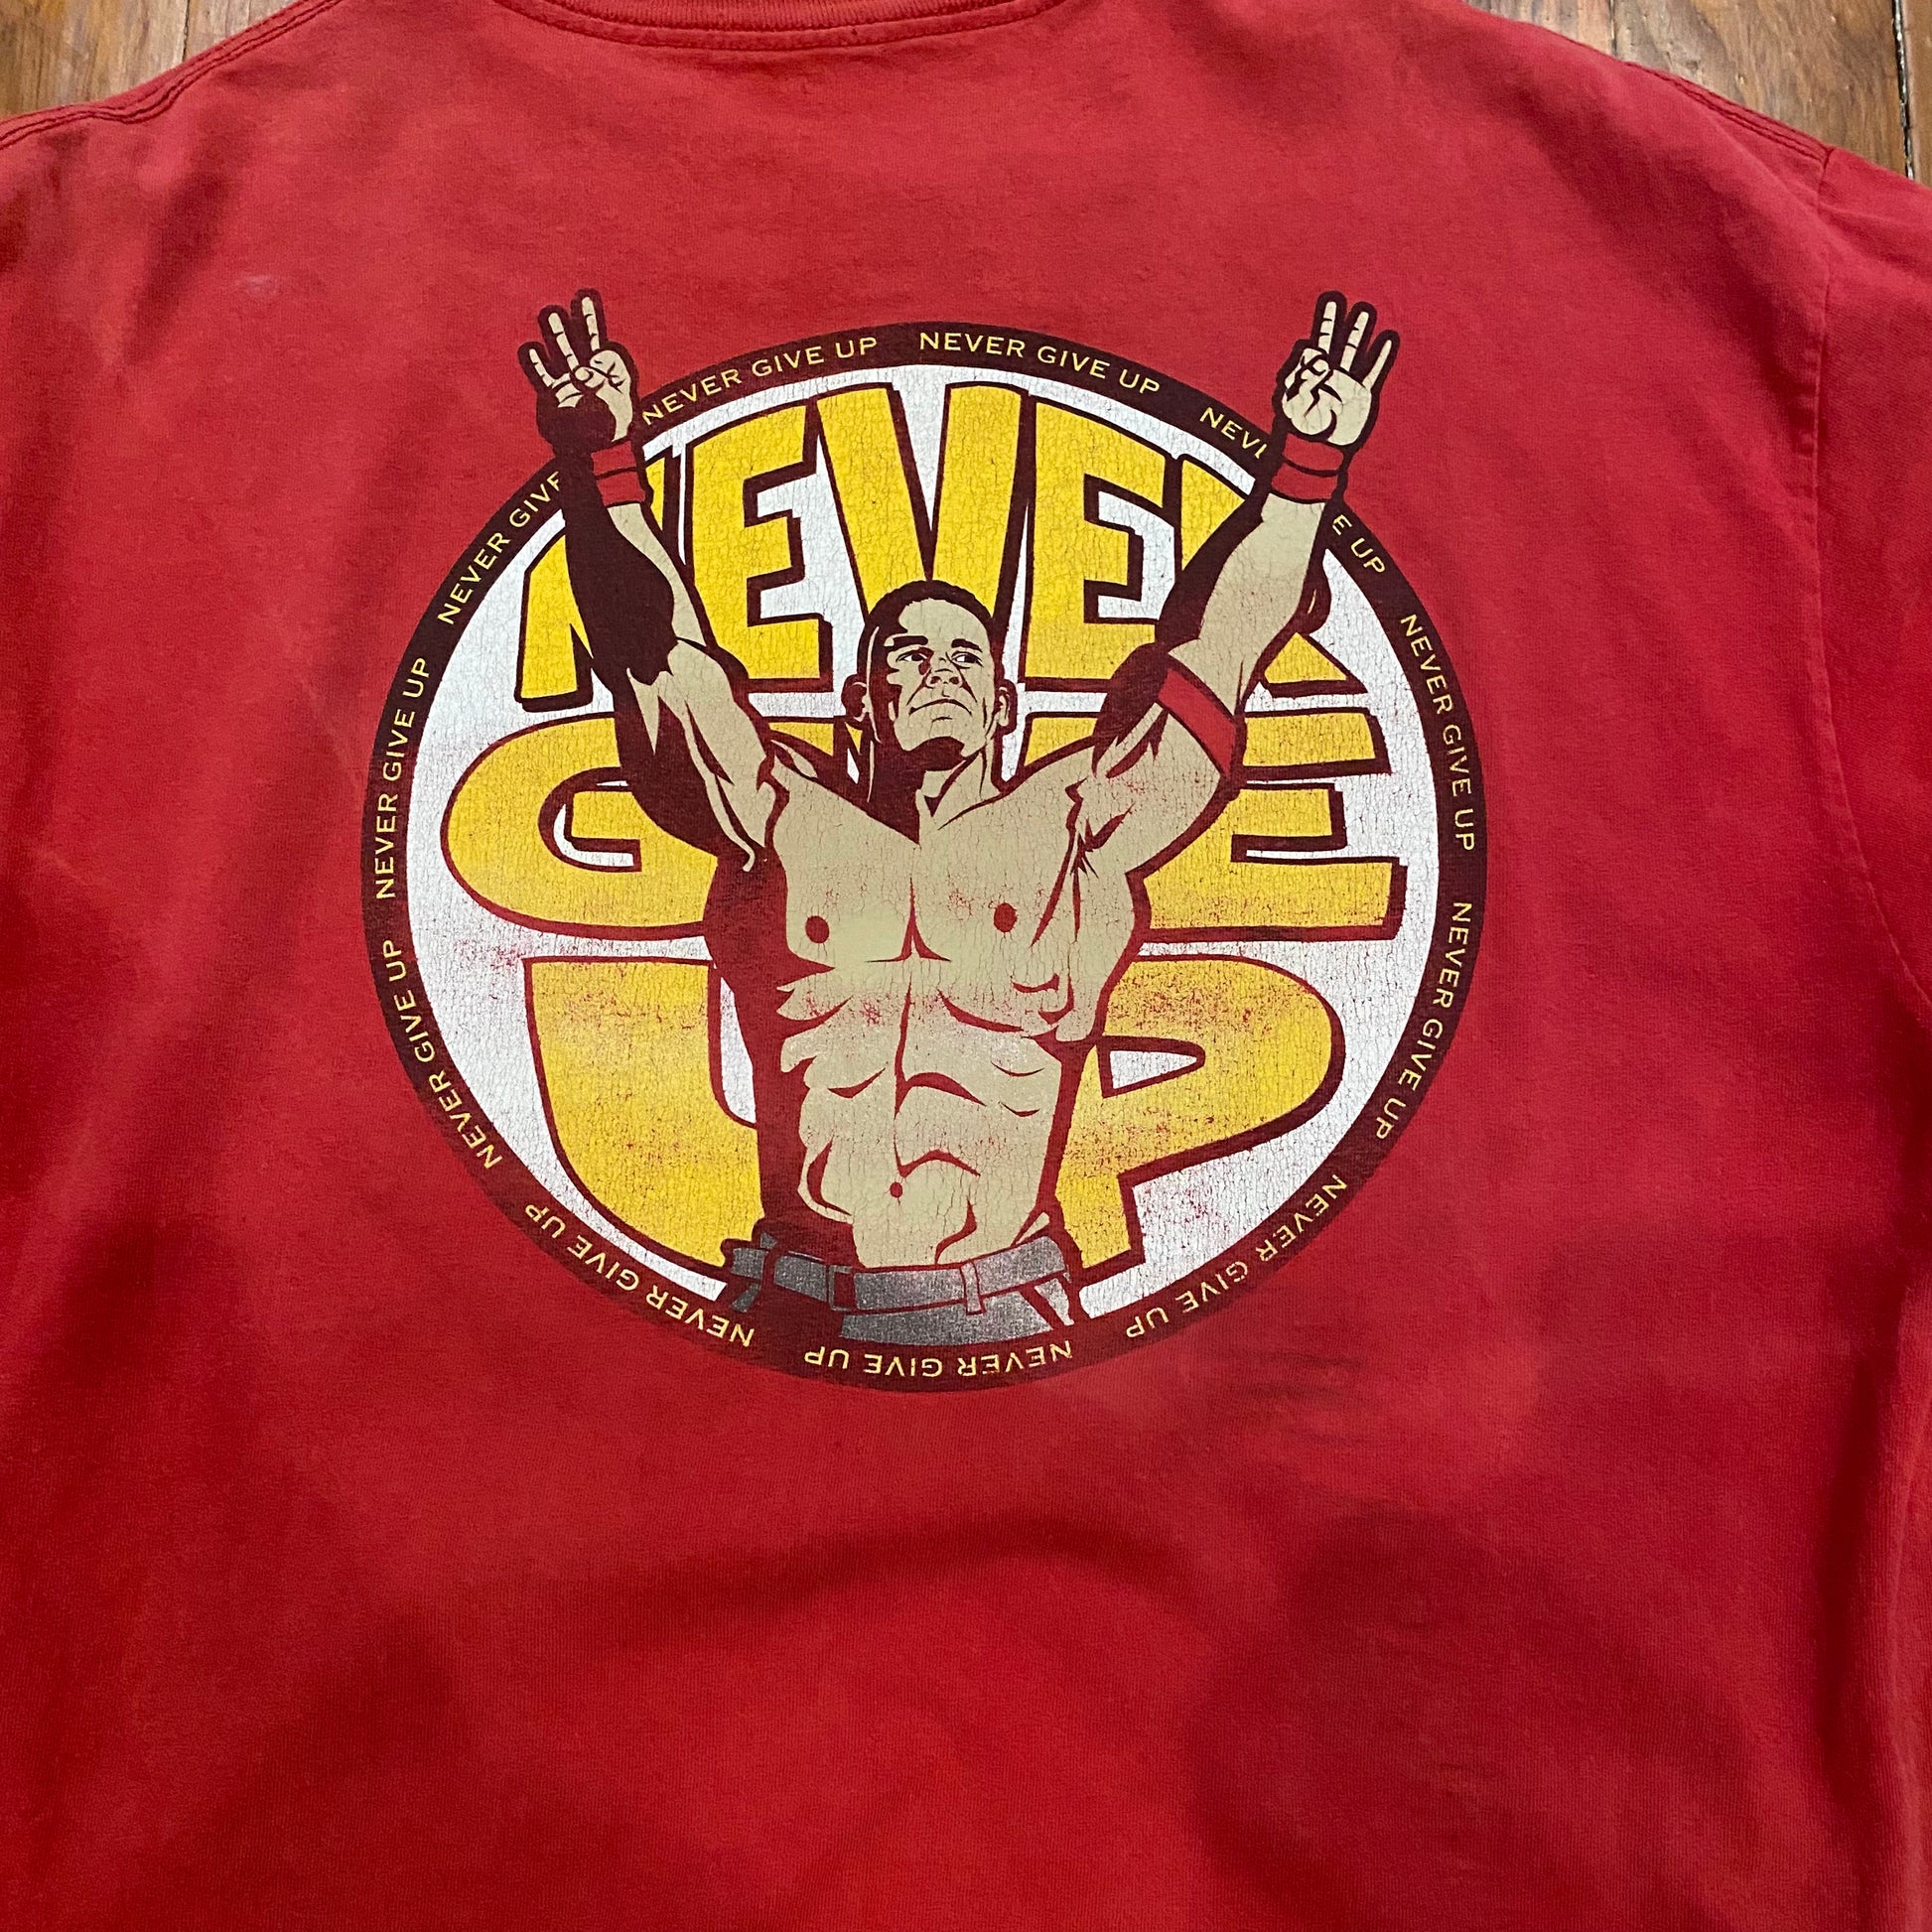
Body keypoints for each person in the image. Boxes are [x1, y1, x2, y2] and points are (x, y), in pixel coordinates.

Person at [521, 289, 1396, 1344]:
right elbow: (654, 654)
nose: (938, 670)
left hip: (1002, 1307)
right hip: (790, 1300)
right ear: (861, 701)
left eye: (964, 655)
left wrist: (1305, 471)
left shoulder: (1076, 828)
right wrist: (600, 464)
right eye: (907, 652)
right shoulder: (780, 821)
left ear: (1003, 703)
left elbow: (1221, 647)